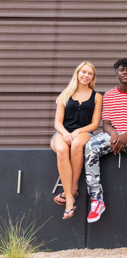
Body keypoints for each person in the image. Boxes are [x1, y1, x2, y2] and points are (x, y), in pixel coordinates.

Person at [84, 58, 127, 224]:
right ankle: (97, 200)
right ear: (117, 74)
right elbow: (106, 124)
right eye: (122, 70)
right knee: (90, 145)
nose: (125, 73)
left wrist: (125, 135)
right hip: (113, 135)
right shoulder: (108, 95)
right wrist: (114, 135)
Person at [51, 61, 102, 219]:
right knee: (61, 149)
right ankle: (70, 198)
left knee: (77, 144)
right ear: (77, 73)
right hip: (62, 132)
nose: (86, 75)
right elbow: (57, 123)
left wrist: (78, 131)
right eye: (84, 72)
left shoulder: (97, 97)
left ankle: (72, 190)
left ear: (93, 77)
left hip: (85, 133)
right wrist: (66, 133)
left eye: (90, 74)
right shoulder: (65, 94)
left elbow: (94, 124)